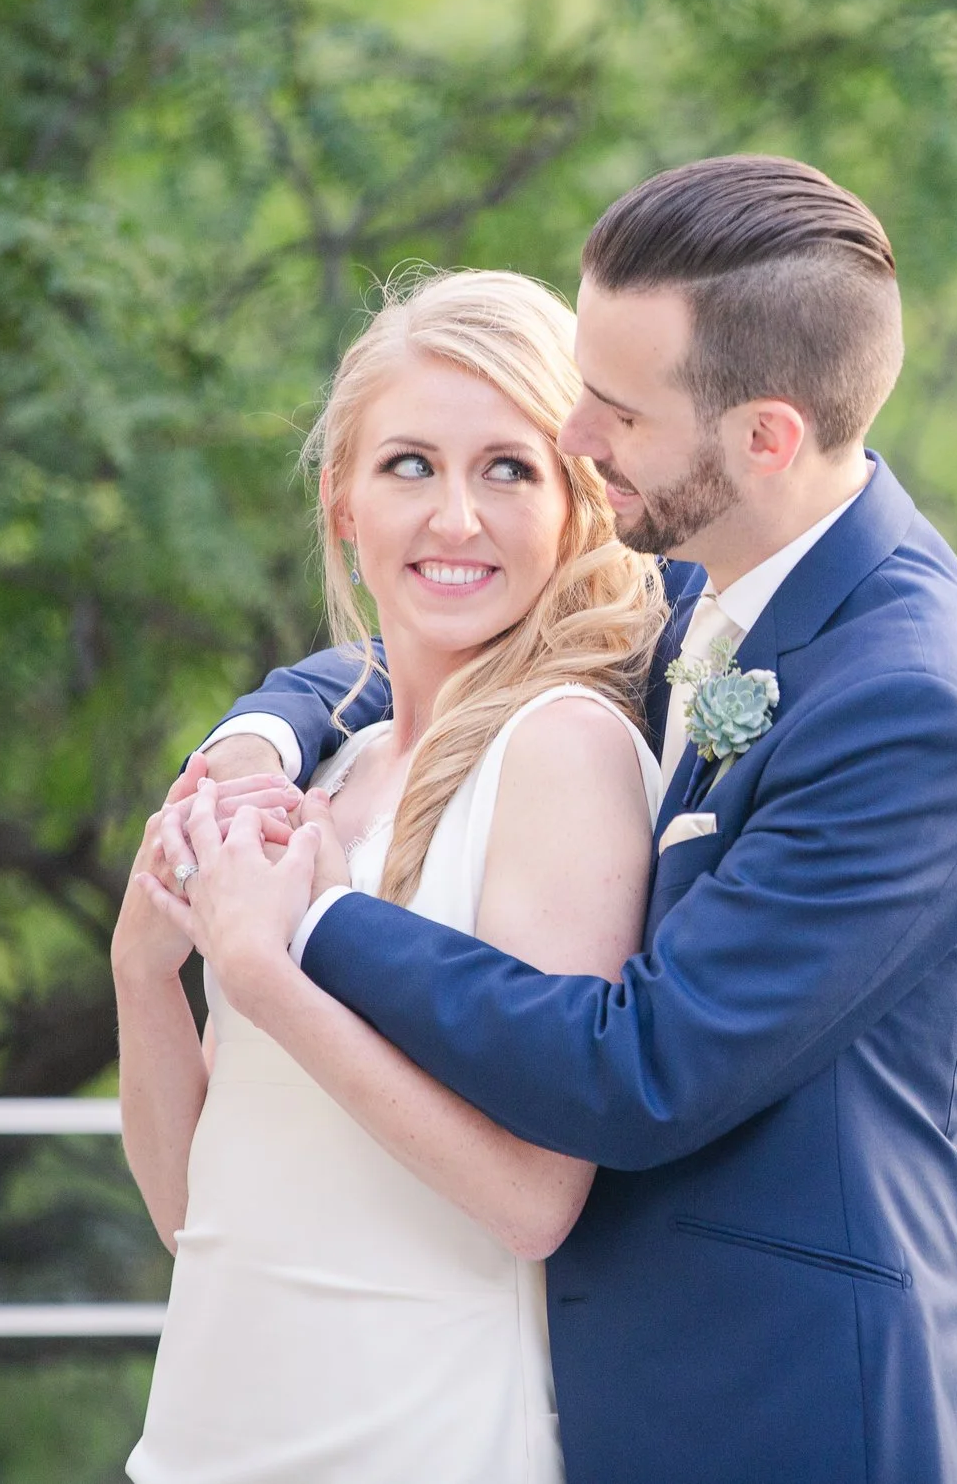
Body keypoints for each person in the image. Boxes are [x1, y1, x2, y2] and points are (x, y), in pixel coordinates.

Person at [165, 156, 957, 1483]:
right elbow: (440, 632)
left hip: (790, 1412)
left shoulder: (909, 704)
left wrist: (315, 922)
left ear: (765, 435)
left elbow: (646, 1071)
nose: (577, 434)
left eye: (617, 411)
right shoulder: (711, 578)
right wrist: (259, 735)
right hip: (588, 1401)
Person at [114, 268, 668, 1483]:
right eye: (410, 464)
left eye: (508, 468)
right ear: (343, 505)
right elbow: (195, 1216)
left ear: (579, 507)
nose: (456, 517)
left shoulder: (560, 752)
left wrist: (268, 970)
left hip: (421, 1439)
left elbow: (533, 1198)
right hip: (208, 1435)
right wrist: (144, 973)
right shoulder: (334, 770)